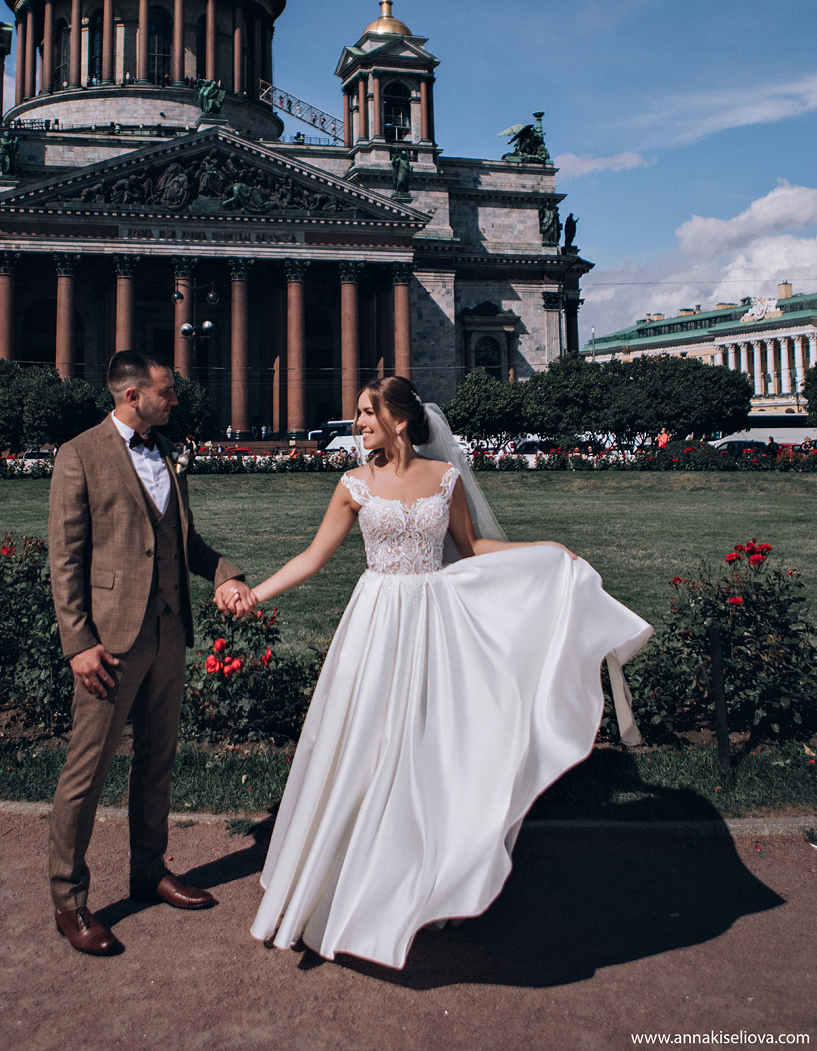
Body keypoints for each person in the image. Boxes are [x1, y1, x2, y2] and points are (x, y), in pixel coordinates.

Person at [233, 376, 652, 970]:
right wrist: (255, 595)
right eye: (358, 413)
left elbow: (472, 546)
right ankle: (335, 881)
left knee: (427, 750)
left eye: (367, 412)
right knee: (363, 747)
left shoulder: (445, 478)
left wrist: (547, 551)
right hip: (376, 623)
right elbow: (313, 556)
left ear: (400, 420)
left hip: (433, 622)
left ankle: (424, 877)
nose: (358, 423)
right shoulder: (353, 484)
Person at [47, 350, 247, 955]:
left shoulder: (169, 452)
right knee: (87, 771)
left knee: (158, 759)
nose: (175, 400)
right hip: (108, 643)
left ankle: (149, 870)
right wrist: (78, 644)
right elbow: (65, 560)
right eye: (166, 391)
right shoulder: (79, 454)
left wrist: (226, 574)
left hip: (168, 633)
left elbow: (184, 541)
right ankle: (70, 901)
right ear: (132, 395)